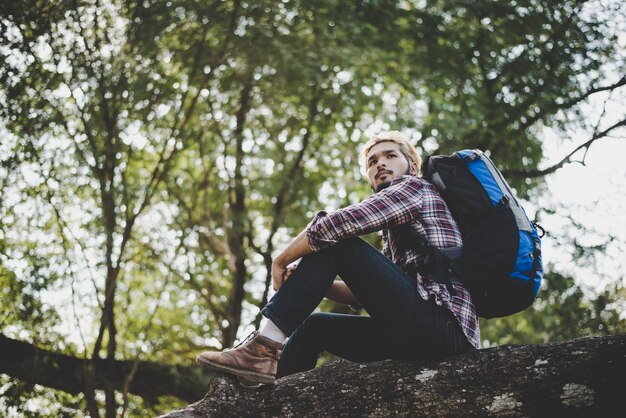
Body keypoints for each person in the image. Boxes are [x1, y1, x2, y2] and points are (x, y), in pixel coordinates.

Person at [196, 131, 480, 385]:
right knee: (314, 327)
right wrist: (318, 283)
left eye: (390, 155)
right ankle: (271, 396)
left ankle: (263, 348)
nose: (380, 163)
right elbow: (362, 295)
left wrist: (280, 261)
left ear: (413, 166)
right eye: (372, 162)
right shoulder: (396, 231)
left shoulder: (414, 189)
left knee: (337, 243)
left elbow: (334, 227)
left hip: (443, 328)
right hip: (415, 333)